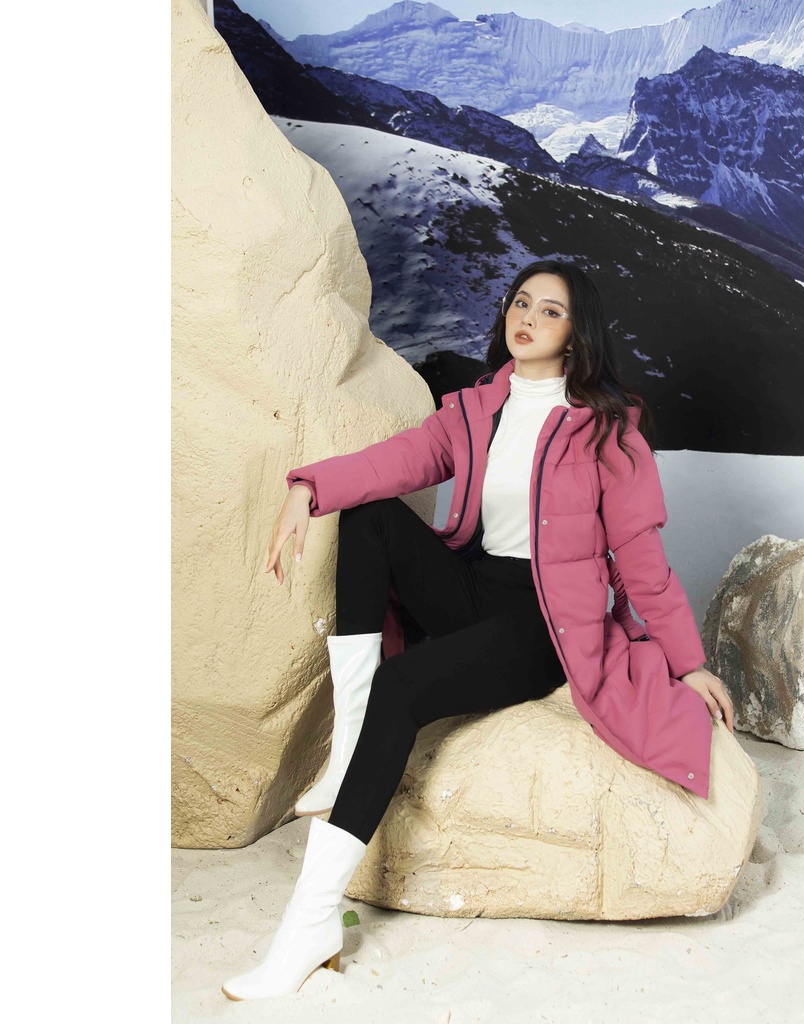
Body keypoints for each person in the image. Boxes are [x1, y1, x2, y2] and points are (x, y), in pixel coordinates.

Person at [221, 259, 734, 1000]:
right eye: (521, 302)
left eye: (550, 310)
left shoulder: (609, 434)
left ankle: (310, 921)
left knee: (404, 684)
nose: (528, 318)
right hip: (475, 589)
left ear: (577, 333)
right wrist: (310, 487)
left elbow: (643, 563)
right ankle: (349, 744)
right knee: (368, 515)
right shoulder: (476, 409)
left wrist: (688, 664)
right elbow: (398, 461)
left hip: (544, 624)